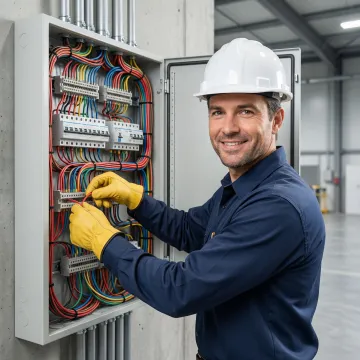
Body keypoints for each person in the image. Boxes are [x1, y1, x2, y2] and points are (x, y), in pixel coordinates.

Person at [69, 38, 325, 360]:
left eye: (245, 111)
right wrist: (137, 201)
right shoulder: (244, 187)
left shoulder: (279, 206)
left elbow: (180, 289)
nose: (228, 128)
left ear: (275, 120)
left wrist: (103, 240)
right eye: (217, 112)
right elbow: (192, 229)